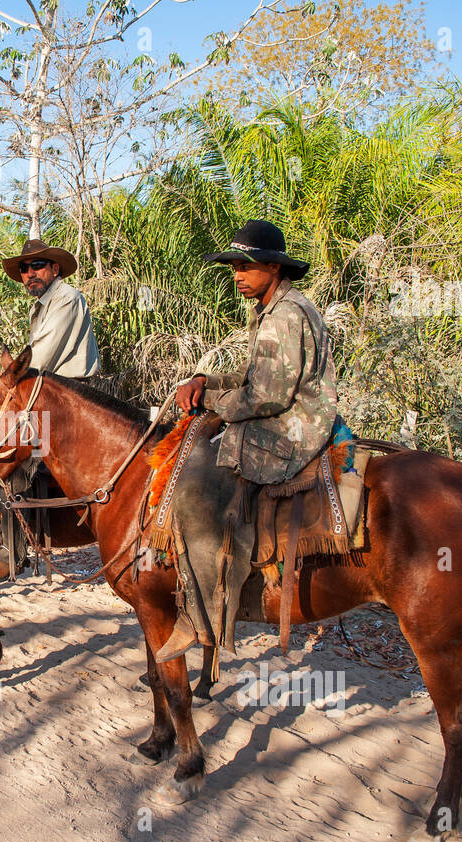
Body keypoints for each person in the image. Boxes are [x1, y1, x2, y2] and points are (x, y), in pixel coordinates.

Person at [155, 219, 339, 661]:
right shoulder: (274, 309)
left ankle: (204, 617)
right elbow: (255, 377)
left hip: (292, 427)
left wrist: (212, 401)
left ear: (274, 268)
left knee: (199, 492)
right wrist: (206, 379)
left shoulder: (286, 315)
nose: (237, 274)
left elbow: (270, 396)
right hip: (284, 414)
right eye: (233, 265)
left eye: (246, 265)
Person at [0, 239, 100, 586]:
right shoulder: (42, 306)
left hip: (73, 395)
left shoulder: (67, 299)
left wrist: (1, 379)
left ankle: (11, 553)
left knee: (12, 457)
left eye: (38, 266)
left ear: (55, 269)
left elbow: (40, 359)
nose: (30, 273)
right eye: (25, 269)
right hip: (50, 392)